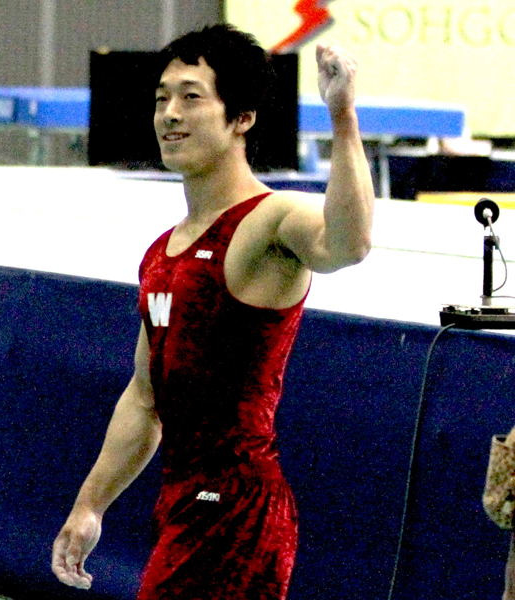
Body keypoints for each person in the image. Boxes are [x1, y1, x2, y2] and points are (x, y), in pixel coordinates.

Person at [52, 24, 374, 599]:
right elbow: (145, 397)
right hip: (182, 504)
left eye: (191, 97)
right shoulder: (161, 252)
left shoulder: (272, 220)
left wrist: (343, 117)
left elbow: (347, 245)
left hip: (240, 514)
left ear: (242, 117)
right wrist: (90, 505)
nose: (170, 114)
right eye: (161, 98)